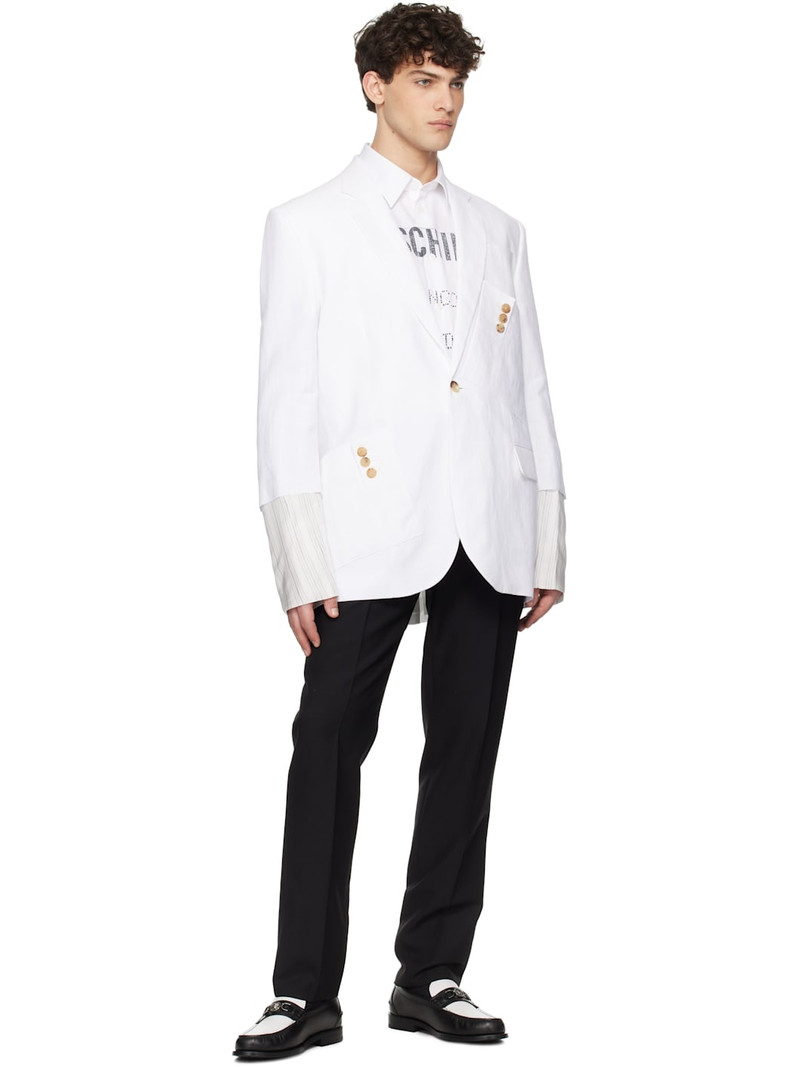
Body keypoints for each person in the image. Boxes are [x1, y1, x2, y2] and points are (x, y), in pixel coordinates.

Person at [233, 2, 567, 1057]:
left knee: (465, 749)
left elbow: (527, 385)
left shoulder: (500, 230)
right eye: (425, 79)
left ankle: (431, 973)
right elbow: (285, 397)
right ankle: (302, 991)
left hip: (486, 519)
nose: (446, 100)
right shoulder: (307, 223)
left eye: (455, 82)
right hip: (363, 522)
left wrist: (545, 533)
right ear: (374, 86)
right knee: (326, 745)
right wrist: (299, 556)